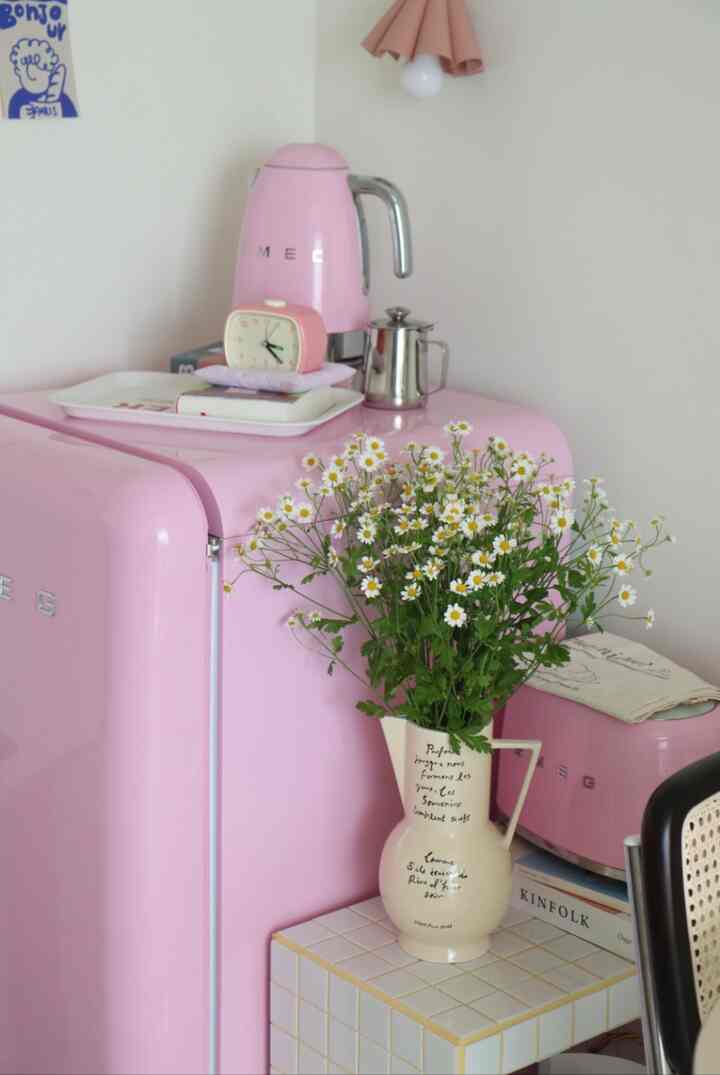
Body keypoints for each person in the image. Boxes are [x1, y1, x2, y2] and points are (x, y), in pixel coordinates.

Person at [7, 36, 77, 119]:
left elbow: (71, 117)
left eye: (43, 67)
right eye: (25, 65)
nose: (31, 74)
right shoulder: (17, 100)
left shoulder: (63, 100)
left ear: (50, 72)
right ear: (18, 71)